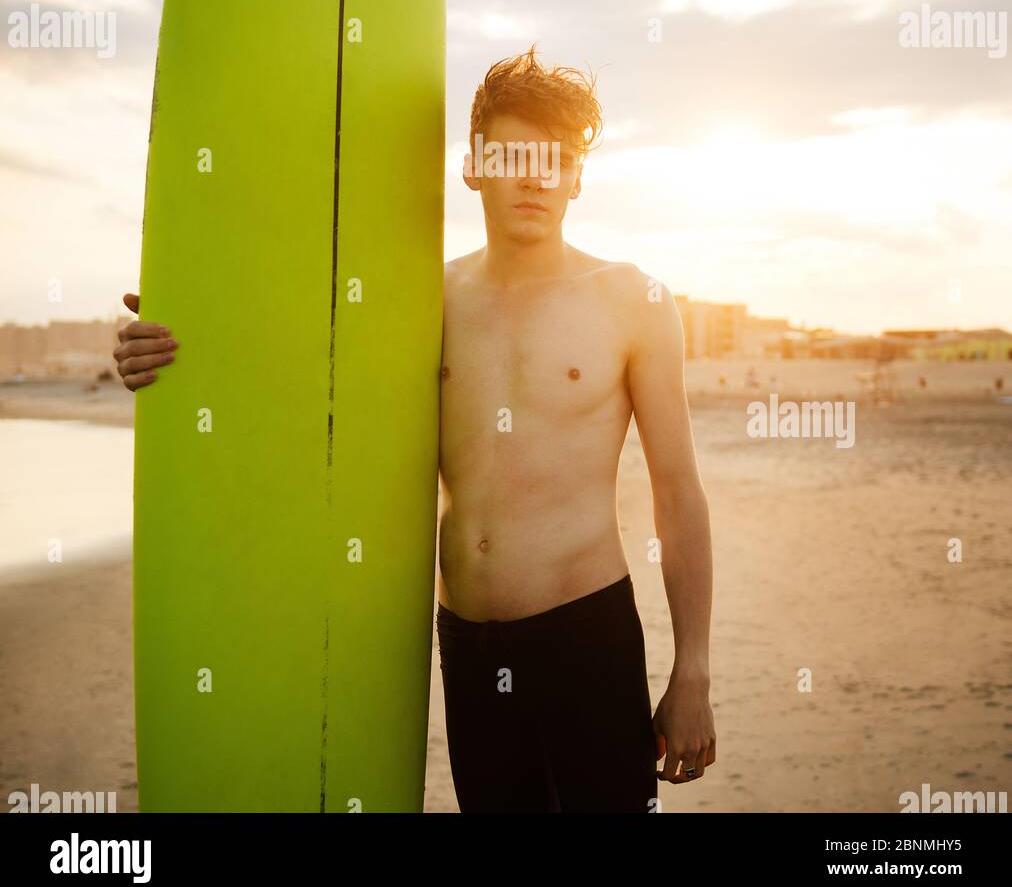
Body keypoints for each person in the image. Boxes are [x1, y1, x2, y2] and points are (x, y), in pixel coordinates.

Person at [114, 44, 716, 813]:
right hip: (466, 646)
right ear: (473, 164)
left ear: (575, 177)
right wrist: (167, 344)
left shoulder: (632, 298)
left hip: (586, 636)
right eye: (513, 154)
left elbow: (679, 491)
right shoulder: (422, 299)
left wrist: (692, 672)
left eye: (555, 158)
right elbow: (287, 370)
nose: (534, 174)